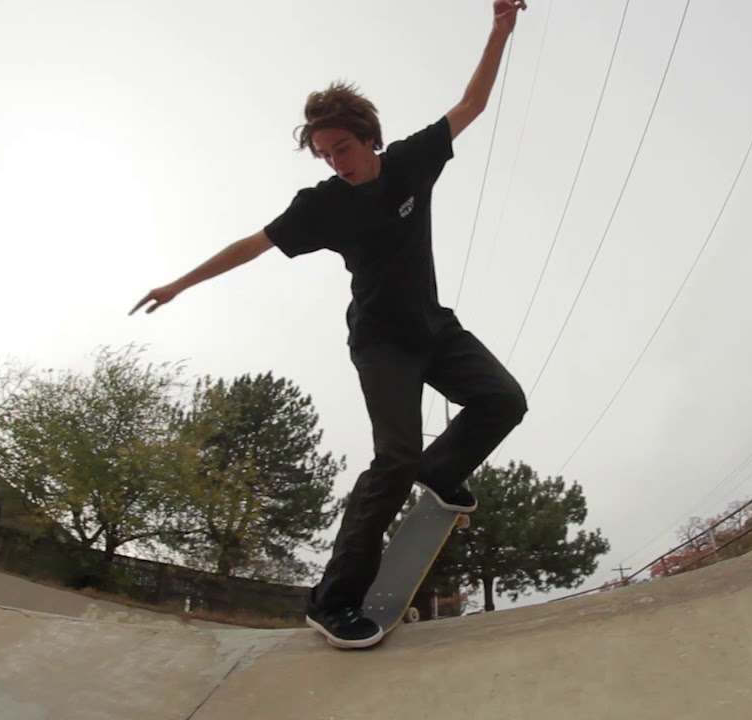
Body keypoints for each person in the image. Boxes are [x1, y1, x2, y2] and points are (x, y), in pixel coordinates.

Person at [129, 0, 529, 649]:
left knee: (504, 400)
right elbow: (253, 244)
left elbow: (472, 104)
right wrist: (180, 283)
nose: (337, 162)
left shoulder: (412, 160)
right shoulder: (321, 206)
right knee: (392, 460)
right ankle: (333, 601)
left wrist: (499, 31)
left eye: (342, 147)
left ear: (368, 137)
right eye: (324, 154)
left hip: (435, 328)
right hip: (381, 344)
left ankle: (439, 470)